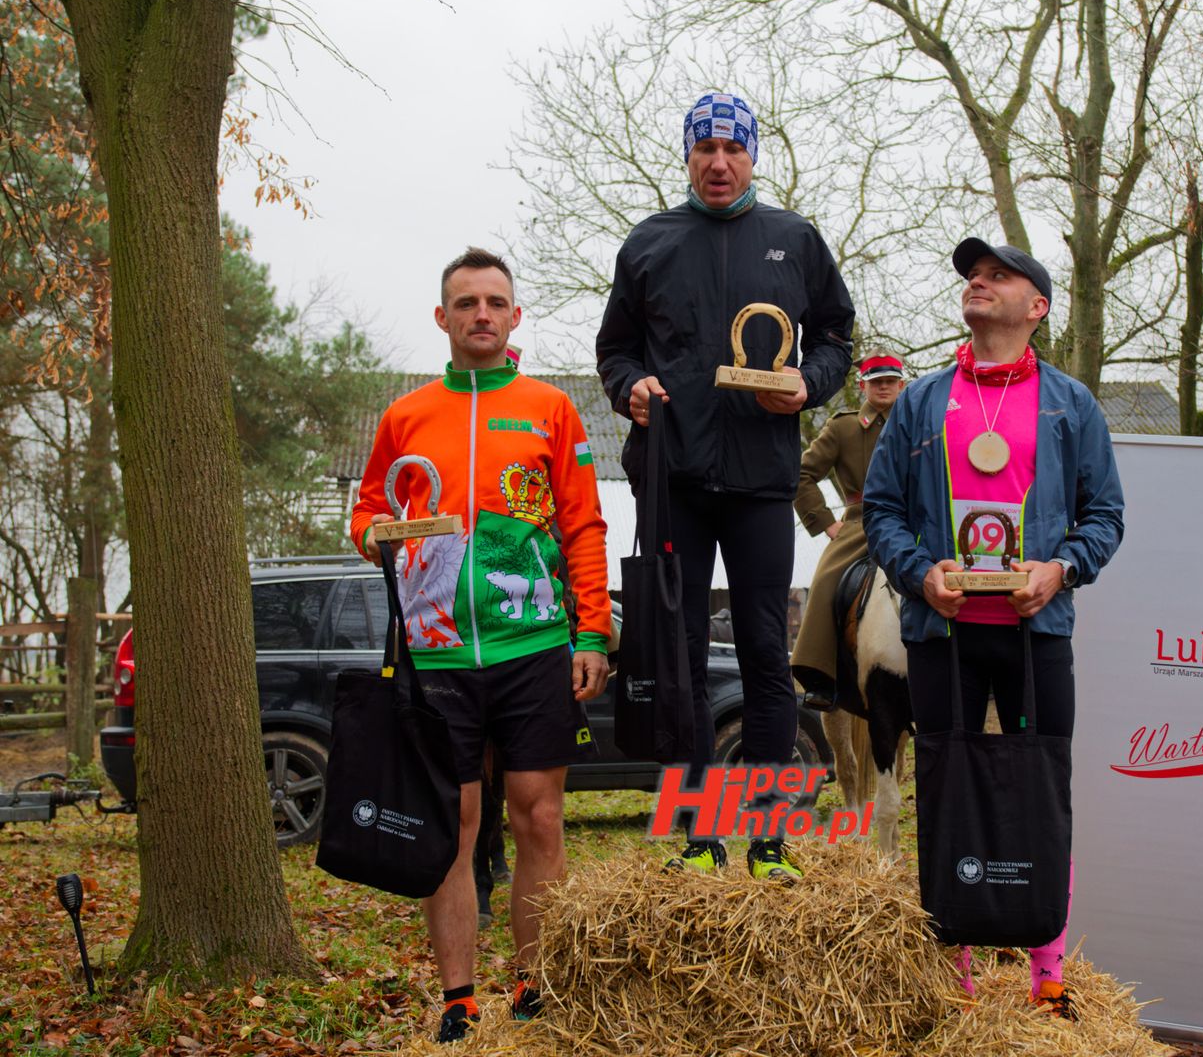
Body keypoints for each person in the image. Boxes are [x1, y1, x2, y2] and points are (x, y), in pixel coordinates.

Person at [350, 247, 612, 1042]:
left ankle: (535, 981)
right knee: (455, 826)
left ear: (516, 315)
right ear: (443, 317)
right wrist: (378, 535)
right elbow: (366, 513)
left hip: (532, 643)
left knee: (539, 819)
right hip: (435, 654)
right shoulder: (405, 414)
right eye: (466, 303)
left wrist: (593, 628)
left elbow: (582, 523)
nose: (482, 315)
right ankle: (459, 996)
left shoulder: (550, 408)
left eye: (496, 301)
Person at [595, 91, 855, 881]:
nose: (718, 162)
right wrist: (630, 388)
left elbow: (838, 337)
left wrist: (808, 385)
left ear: (751, 156)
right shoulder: (649, 242)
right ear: (687, 157)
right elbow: (614, 350)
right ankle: (699, 834)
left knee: (764, 656)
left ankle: (770, 835)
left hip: (758, 482)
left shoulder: (794, 239)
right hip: (673, 477)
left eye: (732, 149)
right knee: (675, 656)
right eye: (704, 148)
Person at [862, 238, 1124, 1019]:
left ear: (1036, 307)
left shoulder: (1072, 404)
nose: (979, 281)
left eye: (998, 275)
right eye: (973, 275)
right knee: (944, 786)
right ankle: (956, 967)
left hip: (1035, 630)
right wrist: (918, 572)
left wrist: (1061, 569)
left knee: (1043, 786)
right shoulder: (919, 401)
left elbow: (1105, 515)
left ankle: (1048, 968)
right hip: (941, 631)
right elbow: (881, 510)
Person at [791, 353, 906, 711]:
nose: (884, 386)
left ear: (902, 385)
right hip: (862, 523)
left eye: (890, 380)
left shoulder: (919, 424)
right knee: (827, 580)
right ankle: (819, 676)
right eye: (876, 381)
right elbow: (802, 474)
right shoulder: (842, 427)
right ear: (863, 386)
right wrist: (827, 523)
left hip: (913, 522)